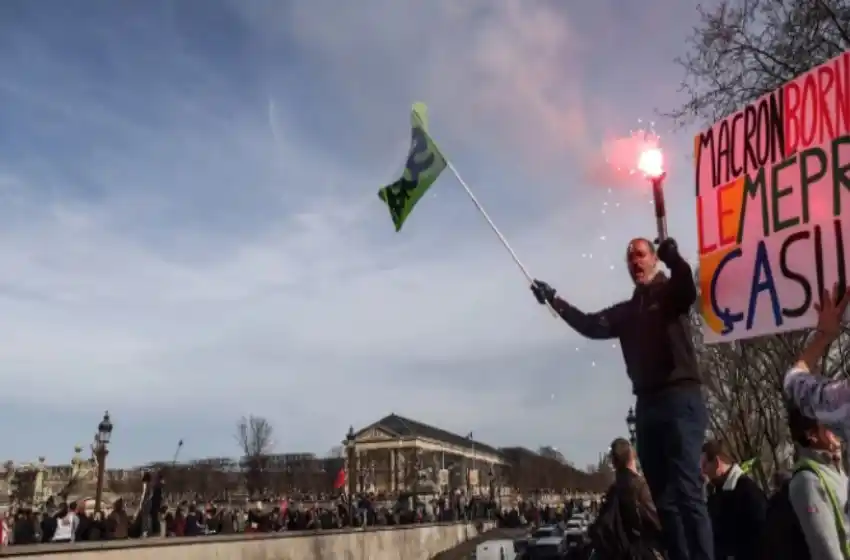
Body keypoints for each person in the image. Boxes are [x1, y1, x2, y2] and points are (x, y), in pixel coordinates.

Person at [531, 237, 712, 560]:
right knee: (664, 498)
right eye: (630, 258)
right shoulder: (629, 312)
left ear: (654, 259)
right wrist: (554, 300)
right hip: (648, 405)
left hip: (679, 397)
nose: (635, 262)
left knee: (686, 490)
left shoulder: (669, 295)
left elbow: (688, 290)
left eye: (641, 255)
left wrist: (676, 260)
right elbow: (590, 324)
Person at [701, 439, 767, 559]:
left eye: (705, 465)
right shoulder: (717, 493)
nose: (704, 471)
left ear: (717, 462)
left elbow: (762, 538)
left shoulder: (748, 492)